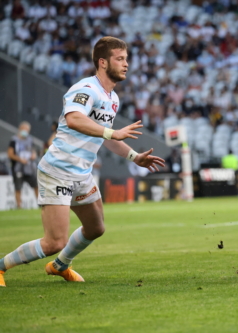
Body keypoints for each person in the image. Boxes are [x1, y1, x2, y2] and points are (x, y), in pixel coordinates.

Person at [0, 36, 165, 287]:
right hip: (58, 171)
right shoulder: (86, 89)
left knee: (96, 228)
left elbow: (106, 138)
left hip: (81, 174)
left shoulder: (113, 98)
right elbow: (75, 119)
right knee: (54, 241)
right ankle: (1, 267)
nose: (126, 64)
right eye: (119, 59)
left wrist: (134, 156)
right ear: (102, 62)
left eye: (126, 59)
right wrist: (111, 132)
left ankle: (59, 265)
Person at [7, 121, 39, 209]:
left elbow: (34, 152)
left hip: (29, 168)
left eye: (27, 130)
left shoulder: (30, 140)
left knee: (36, 185)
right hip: (18, 168)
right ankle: (19, 206)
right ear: (20, 129)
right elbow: (10, 154)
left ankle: (40, 204)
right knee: (18, 188)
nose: (26, 131)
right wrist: (20, 159)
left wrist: (33, 156)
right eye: (24, 129)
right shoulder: (14, 140)